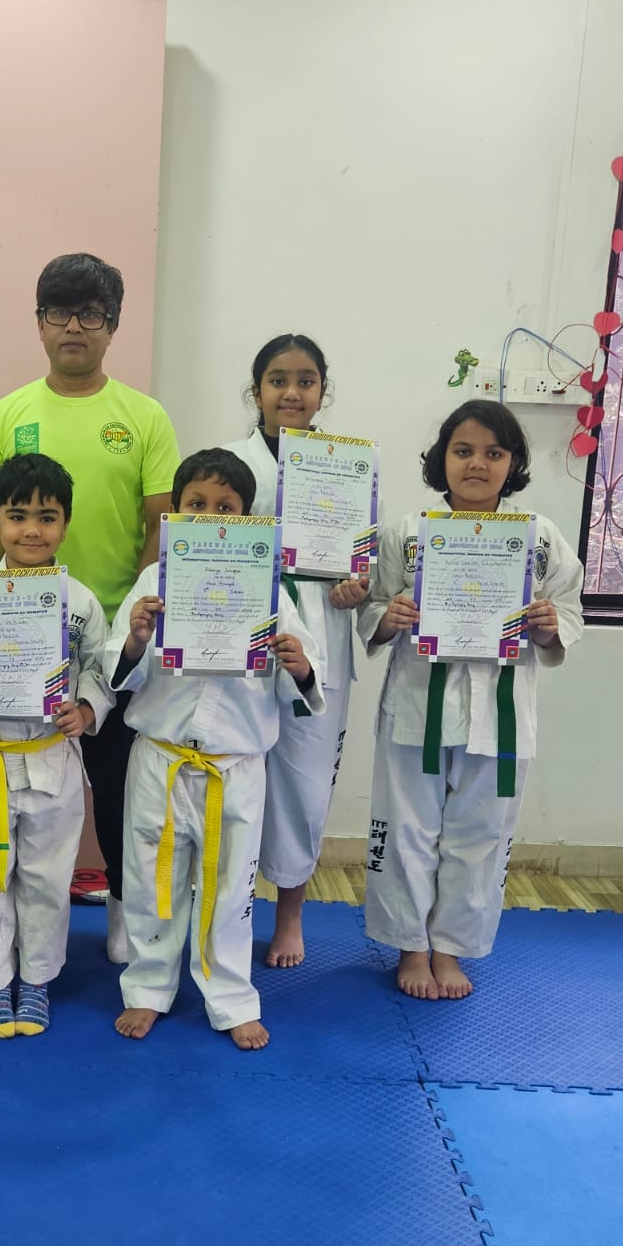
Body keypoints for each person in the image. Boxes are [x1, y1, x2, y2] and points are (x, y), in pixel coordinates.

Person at [0, 253, 179, 965]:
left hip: (115, 639)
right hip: (19, 639)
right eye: (59, 312)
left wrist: (135, 626)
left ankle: (126, 916)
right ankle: (11, 940)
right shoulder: (10, 413)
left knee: (120, 792)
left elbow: (160, 525)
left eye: (91, 314)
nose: (74, 328)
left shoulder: (143, 416)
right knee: (20, 798)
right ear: (39, 323)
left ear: (113, 326)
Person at [358, 402, 583, 1000]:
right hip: (416, 704)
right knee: (407, 830)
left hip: (501, 712)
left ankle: (450, 948)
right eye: (463, 451)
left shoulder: (539, 536)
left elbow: (569, 606)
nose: (477, 464)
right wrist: (389, 616)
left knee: (479, 834)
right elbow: (373, 605)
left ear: (513, 463)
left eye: (493, 452)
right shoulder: (408, 532)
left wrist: (548, 626)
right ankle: (411, 948)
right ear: (442, 458)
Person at [107, 449, 325, 1052]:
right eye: (196, 504)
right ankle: (148, 987)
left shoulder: (271, 591)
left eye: (225, 507)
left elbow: (305, 681)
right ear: (175, 512)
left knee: (231, 889)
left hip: (235, 766)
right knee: (151, 880)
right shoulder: (154, 582)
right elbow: (117, 670)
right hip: (161, 758)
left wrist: (297, 664)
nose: (210, 515)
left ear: (246, 517)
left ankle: (230, 997)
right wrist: (137, 638)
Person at [0, 453, 113, 1038]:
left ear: (66, 524)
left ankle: (35, 980)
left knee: (46, 876)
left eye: (46, 517)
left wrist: (86, 709)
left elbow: (98, 669)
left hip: (50, 756)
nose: (31, 530)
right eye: (16, 516)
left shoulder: (80, 602)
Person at [224, 334, 364, 968]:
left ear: (321, 392)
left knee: (304, 787)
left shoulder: (348, 467)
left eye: (305, 381)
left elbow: (363, 567)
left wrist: (357, 588)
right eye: (277, 379)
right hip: (241, 636)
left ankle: (289, 916)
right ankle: (224, 911)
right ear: (257, 390)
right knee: (228, 775)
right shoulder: (231, 463)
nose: (291, 392)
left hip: (319, 637)